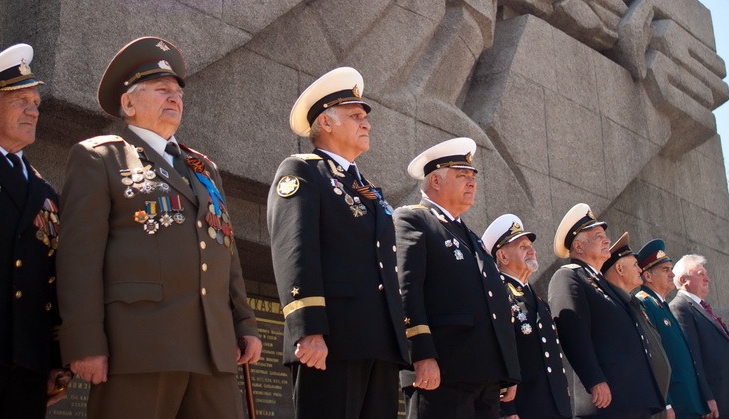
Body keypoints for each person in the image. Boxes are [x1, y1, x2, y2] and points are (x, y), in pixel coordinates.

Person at [56, 37, 261, 419]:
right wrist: (84, 341)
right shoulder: (100, 157)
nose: (174, 98)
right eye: (162, 89)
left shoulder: (204, 168)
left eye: (178, 92)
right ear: (128, 103)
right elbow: (78, 257)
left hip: (213, 349)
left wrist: (244, 322)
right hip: (139, 346)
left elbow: (224, 250)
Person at [267, 67, 409, 418]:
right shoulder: (302, 171)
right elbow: (295, 250)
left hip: (379, 342)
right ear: (326, 124)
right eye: (356, 116)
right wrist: (308, 329)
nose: (367, 123)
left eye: (365, 117)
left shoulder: (370, 190)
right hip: (333, 339)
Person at [394, 137, 520, 419]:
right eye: (462, 176)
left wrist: (507, 369)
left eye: (473, 177)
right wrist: (422, 356)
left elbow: (493, 305)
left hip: (484, 374)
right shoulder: (413, 220)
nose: (472, 183)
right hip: (443, 370)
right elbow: (407, 290)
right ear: (435, 182)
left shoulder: (472, 238)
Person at [0, 44, 70, 417]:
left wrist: (56, 359)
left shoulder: (45, 193)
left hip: (28, 366)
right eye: (20, 100)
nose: (33, 110)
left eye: (37, 103)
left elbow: (51, 280)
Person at [547, 203, 663, 418]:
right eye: (598, 236)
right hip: (606, 398)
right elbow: (573, 331)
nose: (607, 240)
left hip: (632, 396)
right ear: (579, 247)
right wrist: (594, 380)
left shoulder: (603, 283)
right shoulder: (569, 276)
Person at [482, 214, 571, 419]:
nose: (532, 250)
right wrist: (507, 409)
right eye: (523, 247)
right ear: (502, 257)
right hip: (523, 407)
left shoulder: (538, 301)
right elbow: (495, 353)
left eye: (530, 245)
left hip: (555, 407)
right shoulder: (498, 295)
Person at [670, 255, 729, 419]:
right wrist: (706, 398)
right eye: (700, 273)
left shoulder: (703, 308)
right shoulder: (680, 307)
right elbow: (692, 357)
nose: (708, 278)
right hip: (716, 404)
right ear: (683, 280)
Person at [634, 240, 710, 419]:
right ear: (648, 276)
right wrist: (665, 402)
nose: (672, 274)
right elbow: (651, 356)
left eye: (671, 269)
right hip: (674, 403)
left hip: (689, 401)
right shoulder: (644, 303)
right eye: (665, 270)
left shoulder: (662, 305)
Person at [601, 233, 671, 419]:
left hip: (652, 402)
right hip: (632, 404)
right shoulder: (611, 305)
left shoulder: (634, 304)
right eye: (634, 265)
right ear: (619, 269)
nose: (640, 270)